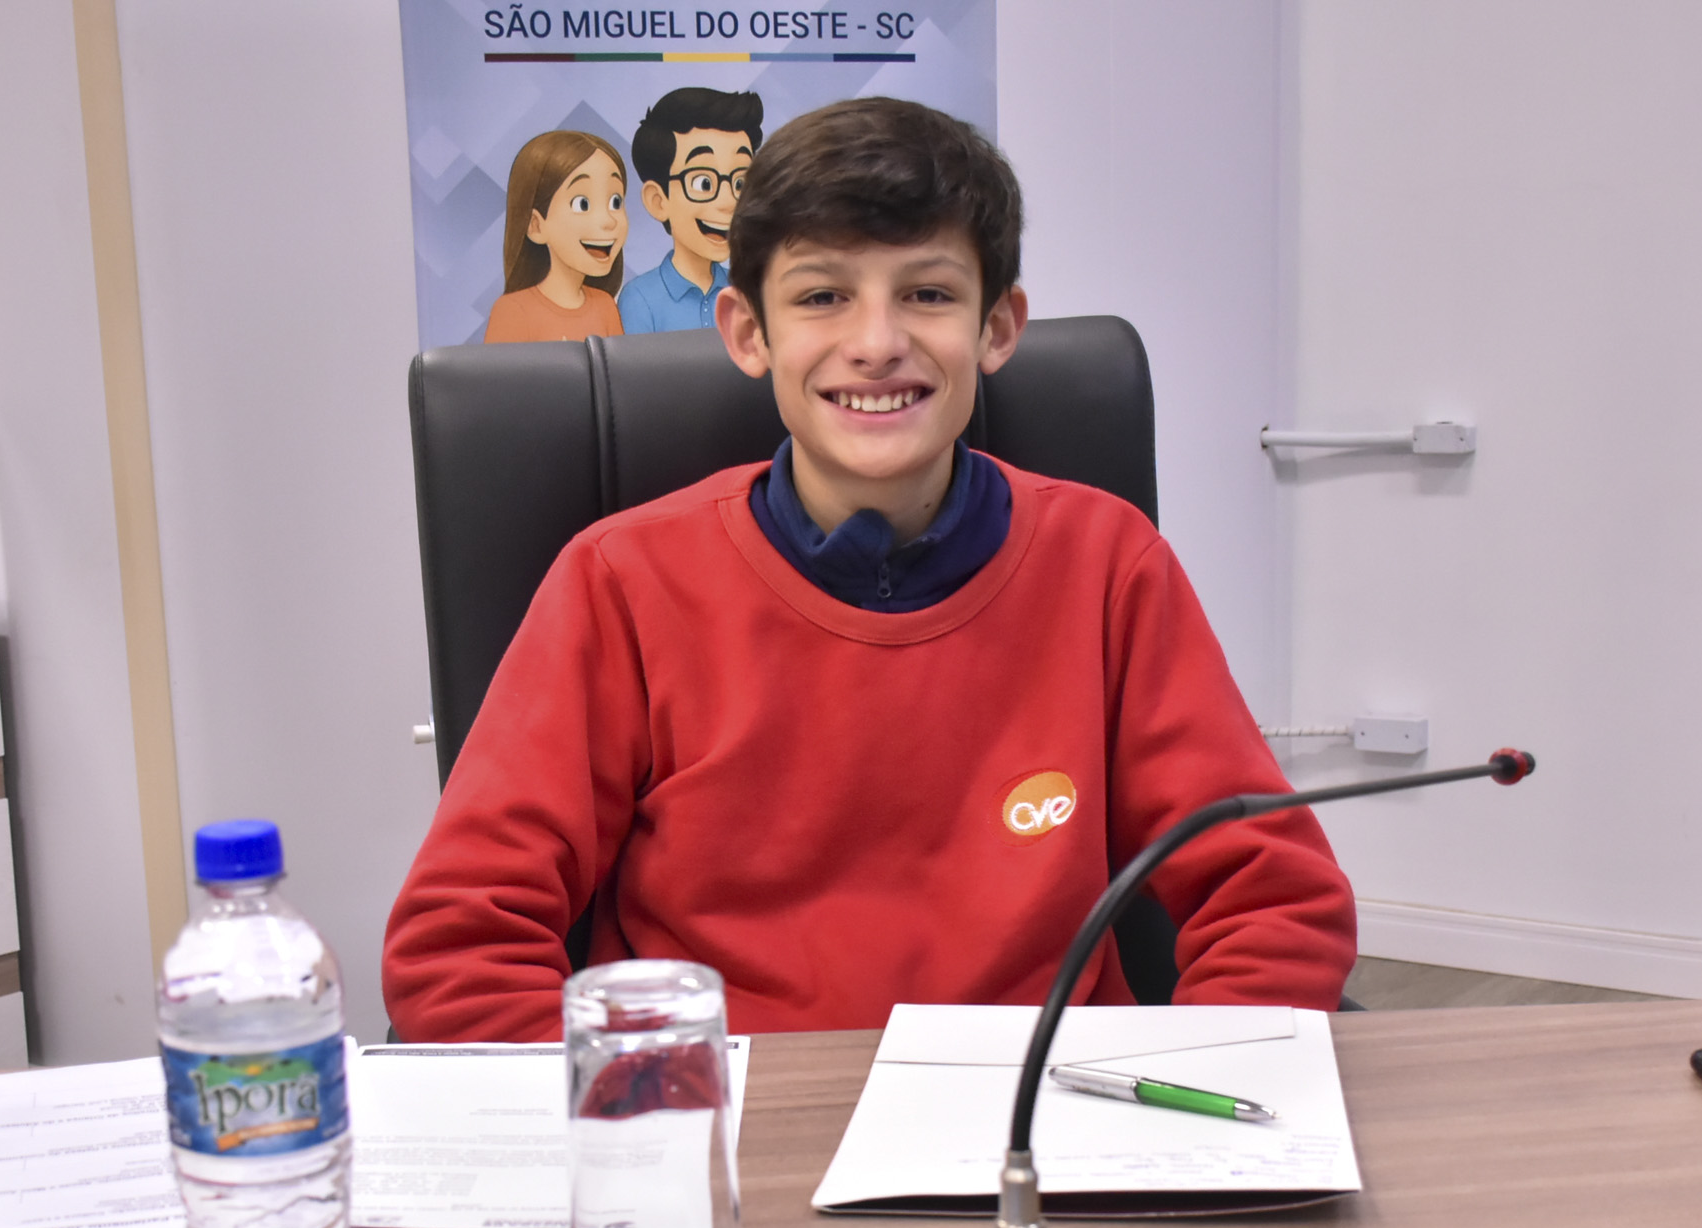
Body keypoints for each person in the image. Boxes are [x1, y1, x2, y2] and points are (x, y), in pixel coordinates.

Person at [386, 98, 1355, 1041]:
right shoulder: (620, 583)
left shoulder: (1106, 564)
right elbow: (458, 947)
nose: (877, 344)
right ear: (747, 332)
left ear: (998, 327)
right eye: (822, 297)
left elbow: (1274, 900)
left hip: (1037, 1116)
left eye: (928, 294)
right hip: (730, 1121)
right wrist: (644, 1116)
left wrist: (1181, 1100)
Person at [616, 87, 763, 335]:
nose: (728, 202)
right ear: (658, 201)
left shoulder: (747, 292)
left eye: (740, 183)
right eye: (704, 183)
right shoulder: (640, 299)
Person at [483, 130, 628, 344]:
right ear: (535, 225)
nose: (608, 221)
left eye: (615, 202)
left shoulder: (605, 305)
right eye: (582, 204)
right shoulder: (513, 311)